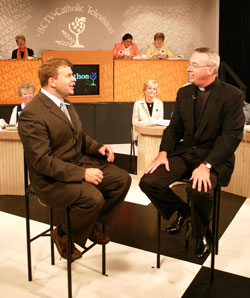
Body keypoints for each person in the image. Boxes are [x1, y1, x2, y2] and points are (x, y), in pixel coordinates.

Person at [18, 58, 131, 261]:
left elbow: (80, 137)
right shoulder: (31, 114)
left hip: (76, 163)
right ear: (52, 81)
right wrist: (82, 174)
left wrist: (98, 147)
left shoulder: (66, 104)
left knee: (122, 180)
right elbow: (42, 161)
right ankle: (62, 233)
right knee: (92, 198)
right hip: (49, 179)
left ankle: (89, 224)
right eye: (69, 75)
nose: (74, 80)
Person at [139, 47, 245, 259]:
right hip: (185, 153)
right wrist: (163, 153)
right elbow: (174, 128)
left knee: (198, 190)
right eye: (190, 64)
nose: (188, 68)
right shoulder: (184, 92)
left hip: (214, 157)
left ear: (211, 69)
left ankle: (202, 232)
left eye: (194, 65)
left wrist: (207, 166)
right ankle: (183, 213)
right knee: (148, 181)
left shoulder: (232, 95)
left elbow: (230, 137)